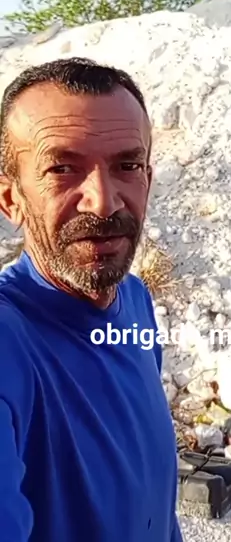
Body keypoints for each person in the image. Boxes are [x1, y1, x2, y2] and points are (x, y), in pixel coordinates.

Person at [0, 57, 183, 542]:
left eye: (127, 166)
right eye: (62, 168)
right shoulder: (9, 341)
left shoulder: (136, 301)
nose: (103, 201)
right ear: (11, 200)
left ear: (148, 179)